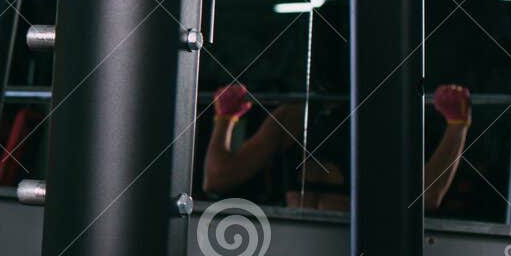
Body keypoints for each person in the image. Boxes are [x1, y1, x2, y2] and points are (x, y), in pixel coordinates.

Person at [201, 81, 471, 211]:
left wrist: (225, 119)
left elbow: (216, 179)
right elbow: (217, 180)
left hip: (318, 248)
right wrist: (457, 126)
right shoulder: (295, 117)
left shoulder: (295, 117)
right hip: (305, 247)